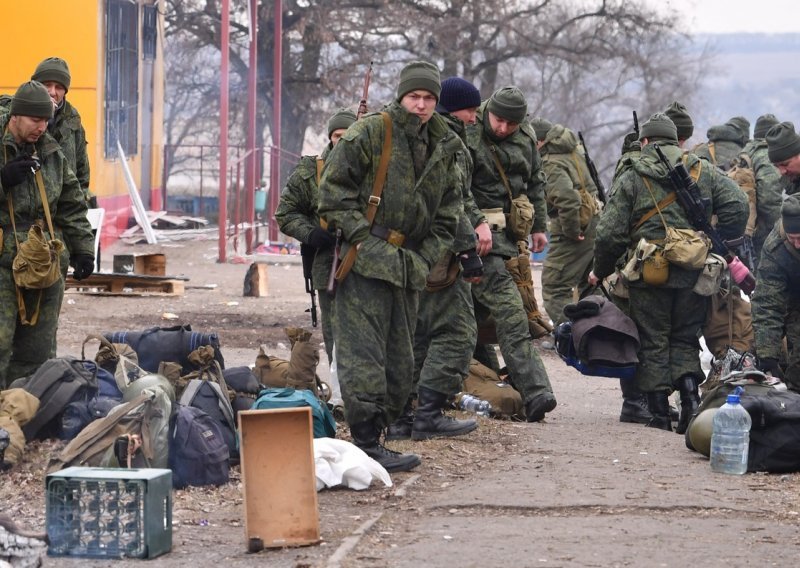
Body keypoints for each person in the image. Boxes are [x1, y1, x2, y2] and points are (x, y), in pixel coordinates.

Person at [318, 61, 463, 472]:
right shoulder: (371, 131)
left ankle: (383, 434)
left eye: (429, 98)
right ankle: (365, 441)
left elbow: (450, 209)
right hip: (365, 262)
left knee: (400, 362)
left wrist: (426, 255)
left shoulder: (444, 143)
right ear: (401, 95)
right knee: (363, 358)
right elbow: (331, 192)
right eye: (414, 97)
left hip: (409, 265)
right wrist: (362, 237)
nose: (420, 105)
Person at [590, 113, 747, 432]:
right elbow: (738, 204)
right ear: (678, 141)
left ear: (645, 141)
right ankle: (689, 401)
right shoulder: (701, 168)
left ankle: (660, 411)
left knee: (653, 338)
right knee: (685, 336)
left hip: (649, 272)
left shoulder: (634, 172)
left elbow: (609, 233)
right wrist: (717, 242)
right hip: (694, 268)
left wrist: (602, 270)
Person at [386, 77, 487, 442]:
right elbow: (451, 199)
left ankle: (401, 416)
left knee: (413, 335)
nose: (475, 118)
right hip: (440, 252)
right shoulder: (446, 141)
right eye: (471, 110)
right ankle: (427, 413)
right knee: (459, 334)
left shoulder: (396, 135)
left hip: (399, 250)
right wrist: (468, 249)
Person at [465, 86, 557, 422]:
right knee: (511, 313)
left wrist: (538, 227)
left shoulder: (525, 137)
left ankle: (489, 382)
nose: (503, 128)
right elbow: (457, 187)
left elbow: (535, 183)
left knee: (474, 319)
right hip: (477, 242)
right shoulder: (468, 132)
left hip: (510, 243)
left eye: (511, 124)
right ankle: (536, 392)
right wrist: (475, 222)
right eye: (499, 120)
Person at [0, 81, 94, 387]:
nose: (41, 127)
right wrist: (3, 180)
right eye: (34, 120)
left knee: (37, 349)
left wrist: (83, 248)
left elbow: (71, 201)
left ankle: (24, 413)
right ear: (15, 117)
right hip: (3, 261)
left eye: (45, 121)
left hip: (44, 263)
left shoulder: (51, 152)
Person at [275, 107, 357, 364]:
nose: (342, 142)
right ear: (330, 138)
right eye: (337, 136)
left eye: (348, 136)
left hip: (367, 261)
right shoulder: (311, 171)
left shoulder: (373, 169)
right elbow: (285, 213)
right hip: (328, 264)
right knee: (335, 335)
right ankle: (340, 392)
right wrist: (311, 234)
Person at [536, 121, 600, 329]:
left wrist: (572, 231)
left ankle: (574, 337)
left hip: (576, 229)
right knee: (589, 285)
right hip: (595, 221)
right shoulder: (574, 151)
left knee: (554, 286)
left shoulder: (551, 162)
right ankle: (600, 334)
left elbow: (567, 199)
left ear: (539, 141)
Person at [751, 194, 800, 390]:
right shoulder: (776, 248)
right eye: (792, 238)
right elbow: (767, 303)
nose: (797, 244)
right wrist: (768, 355)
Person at [31, 57, 92, 205]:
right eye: (47, 85)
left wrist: (76, 206)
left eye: (59, 87)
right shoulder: (19, 116)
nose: (52, 92)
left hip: (61, 219)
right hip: (24, 221)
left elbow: (82, 175)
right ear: (35, 85)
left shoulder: (73, 123)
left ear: (65, 91)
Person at [743, 113, 785, 267]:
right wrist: (781, 231)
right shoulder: (766, 155)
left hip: (743, 228)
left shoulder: (745, 152)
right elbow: (769, 199)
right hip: (762, 232)